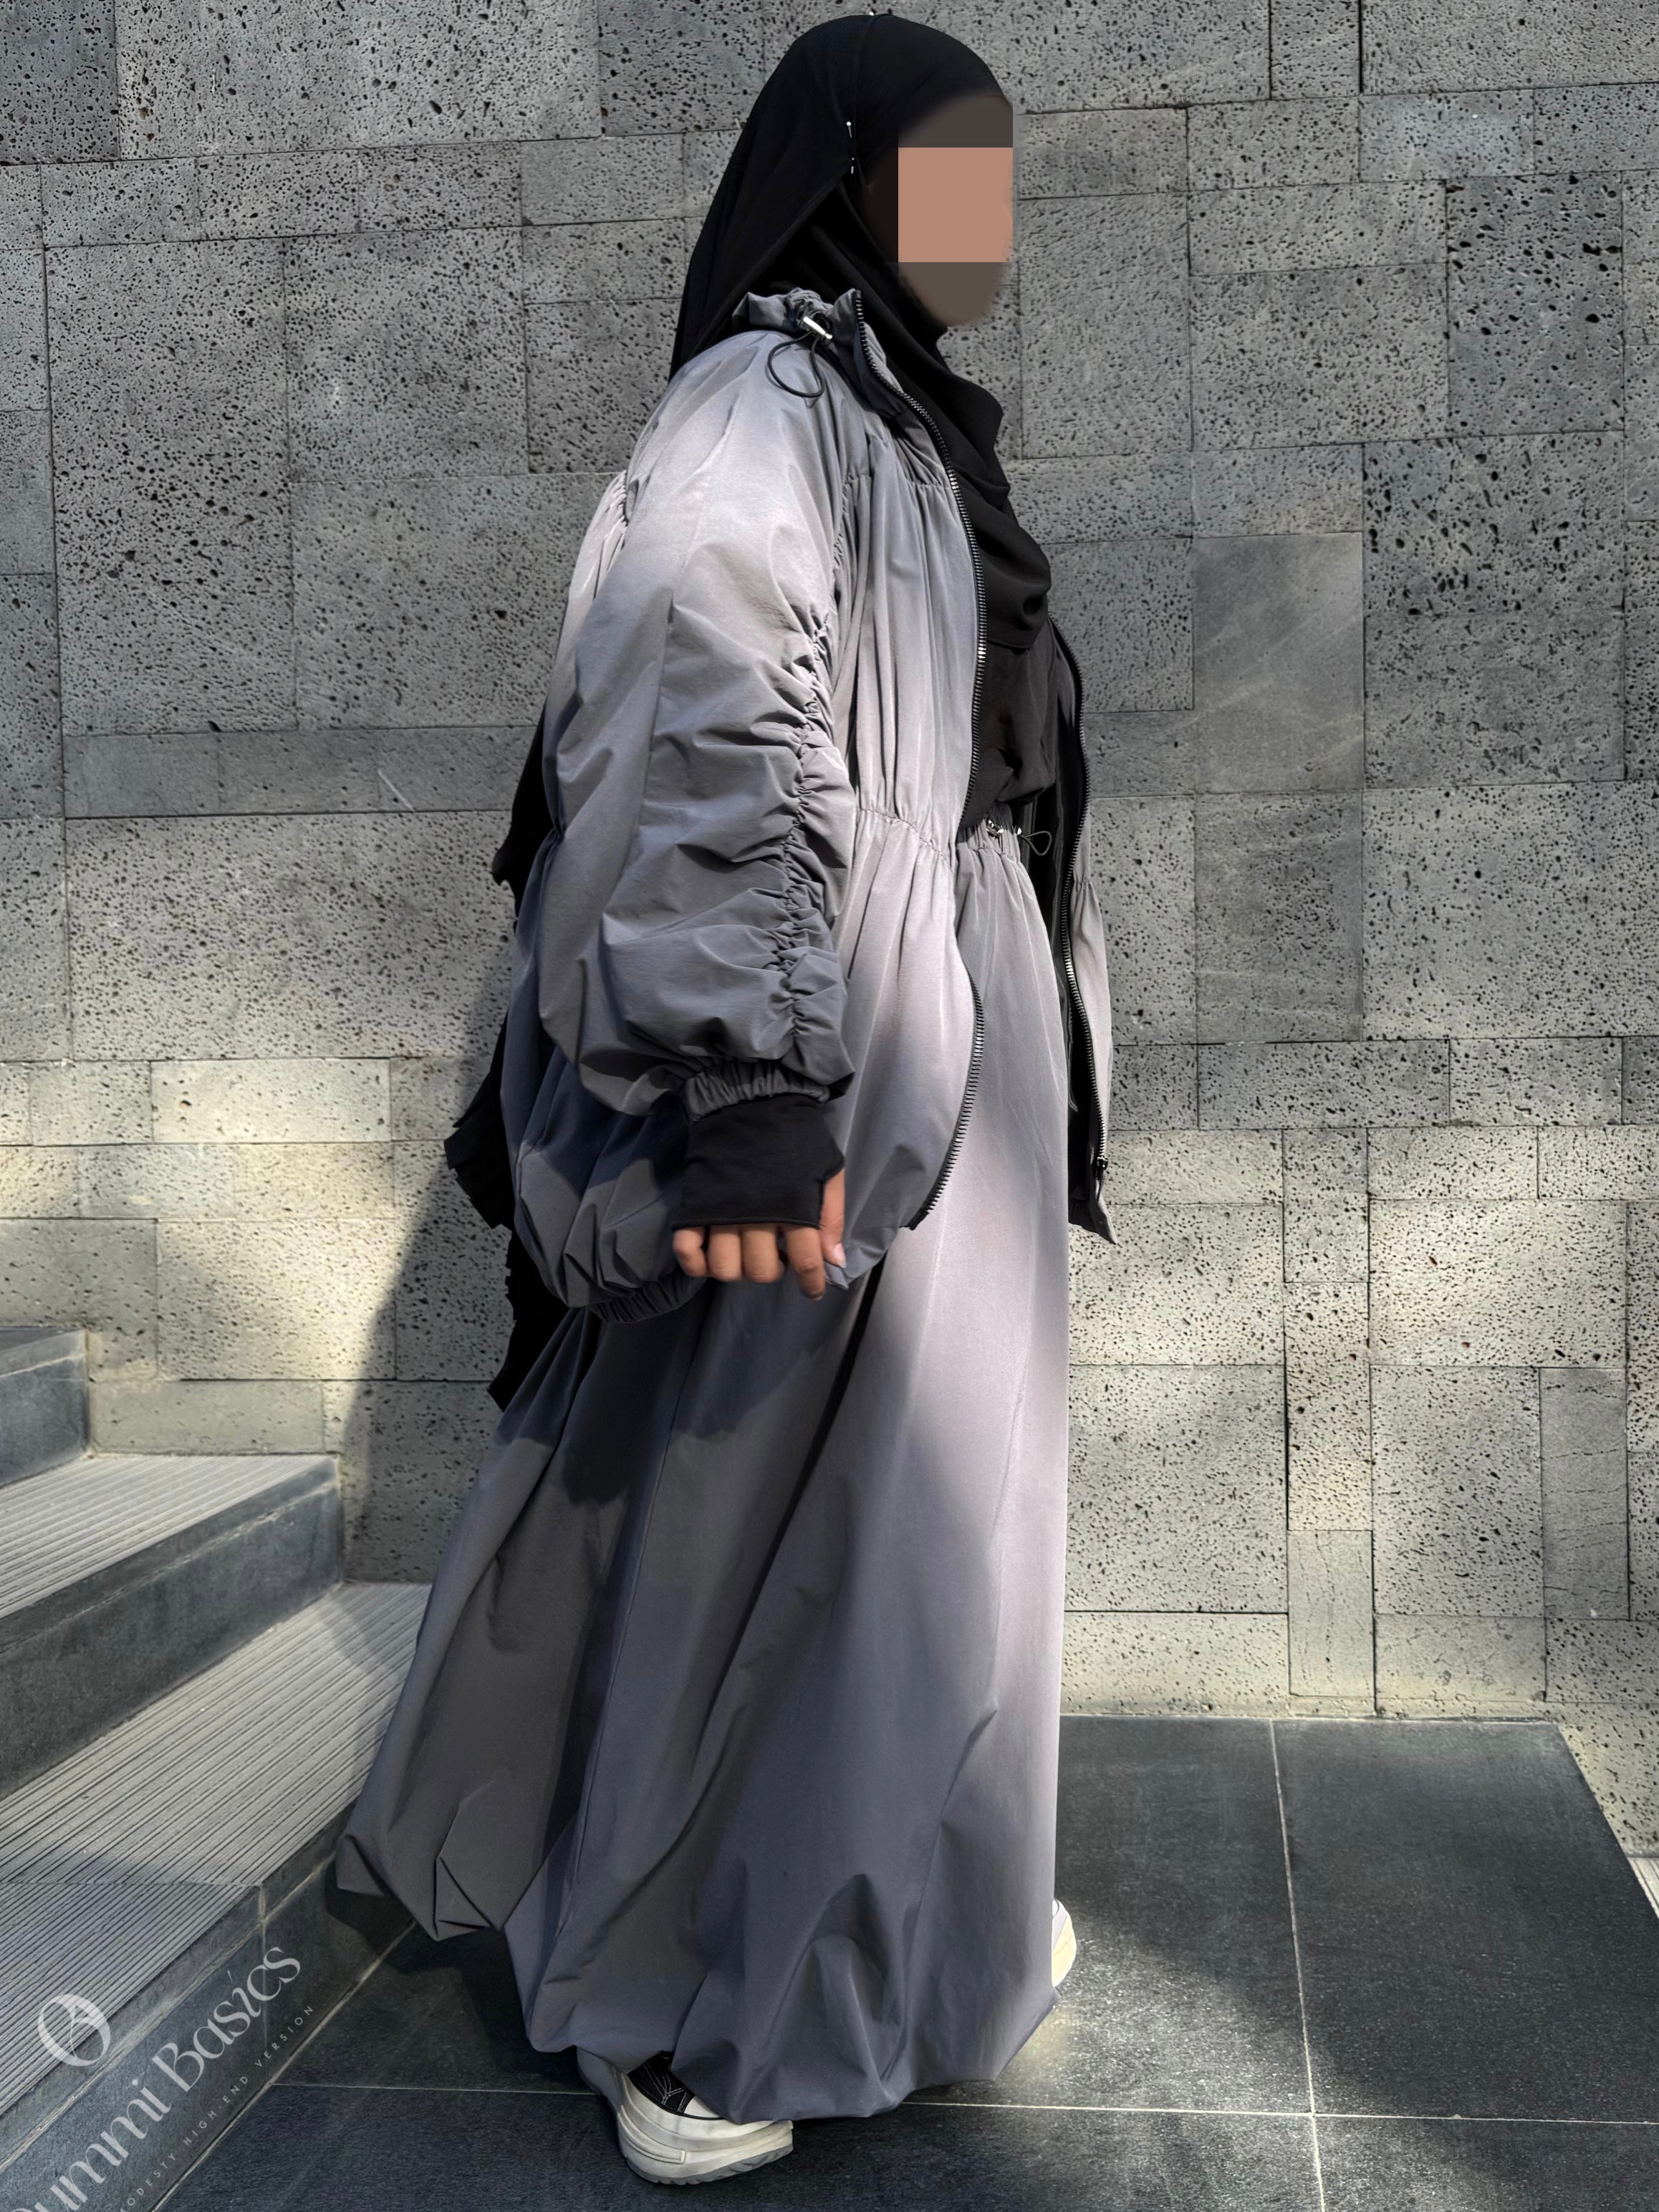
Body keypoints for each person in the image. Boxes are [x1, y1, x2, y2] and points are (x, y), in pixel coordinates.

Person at [335, 9, 1115, 2188]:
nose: (990, 218)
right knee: (777, 1552)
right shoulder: (761, 411)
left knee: (931, 1549)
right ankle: (706, 2013)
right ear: (846, 178)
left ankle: (925, 1941)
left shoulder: (892, 412)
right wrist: (748, 1088)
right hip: (835, 1071)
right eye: (953, 171)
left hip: (940, 1056)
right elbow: (695, 723)